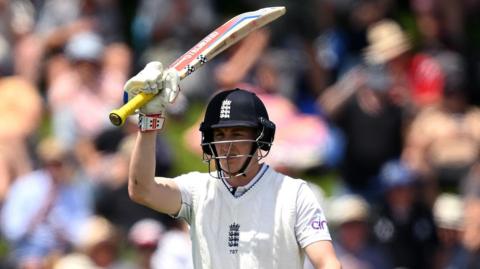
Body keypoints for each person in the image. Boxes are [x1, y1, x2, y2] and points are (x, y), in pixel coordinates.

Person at [124, 62, 341, 269]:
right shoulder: (197, 190)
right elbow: (143, 190)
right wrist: (149, 122)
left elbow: (327, 262)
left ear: (260, 139)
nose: (227, 146)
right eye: (219, 135)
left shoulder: (294, 195)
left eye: (237, 134)